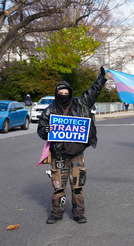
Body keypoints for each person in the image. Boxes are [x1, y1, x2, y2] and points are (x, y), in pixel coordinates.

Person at [37, 66, 107, 224]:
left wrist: (101, 77)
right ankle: (57, 212)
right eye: (60, 93)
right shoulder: (49, 111)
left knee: (77, 187)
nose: (63, 96)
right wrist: (45, 130)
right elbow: (41, 130)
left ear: (70, 92)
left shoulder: (80, 104)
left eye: (66, 93)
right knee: (59, 189)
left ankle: (78, 213)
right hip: (58, 156)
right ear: (56, 94)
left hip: (77, 155)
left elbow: (93, 91)